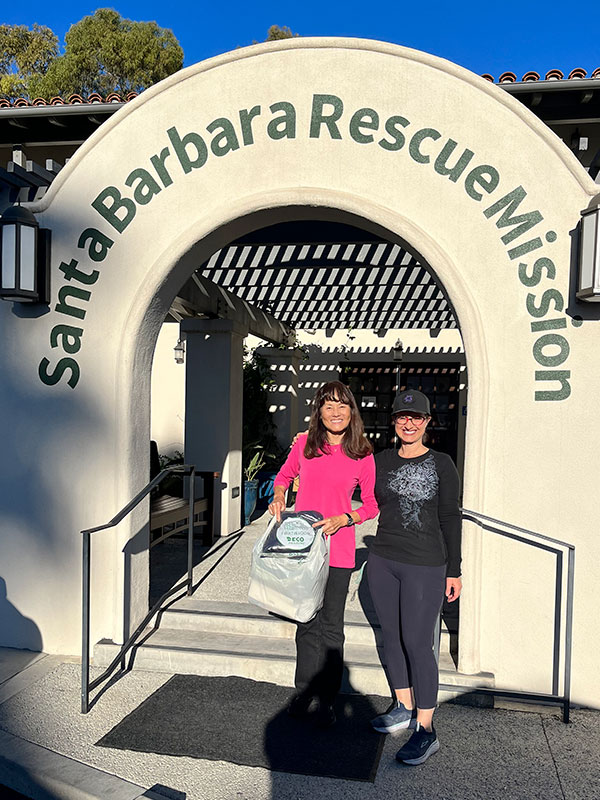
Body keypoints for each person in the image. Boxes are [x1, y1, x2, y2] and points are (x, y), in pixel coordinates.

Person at [268, 380, 378, 728]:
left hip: (340, 551)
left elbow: (372, 505)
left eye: (342, 406)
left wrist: (346, 517)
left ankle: (328, 700)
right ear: (319, 410)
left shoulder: (362, 452)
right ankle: (303, 692)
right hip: (303, 549)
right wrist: (279, 495)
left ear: (351, 412)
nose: (335, 412)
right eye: (328, 405)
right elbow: (283, 476)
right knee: (306, 622)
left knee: (331, 628)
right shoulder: (304, 444)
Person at [367, 389, 461, 765]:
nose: (409, 422)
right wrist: (309, 446)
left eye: (416, 417)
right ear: (394, 421)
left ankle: (426, 729)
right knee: (391, 637)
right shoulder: (379, 461)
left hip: (426, 563)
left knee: (418, 643)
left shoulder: (442, 463)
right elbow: (344, 475)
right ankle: (402, 706)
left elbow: (450, 517)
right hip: (383, 561)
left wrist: (454, 570)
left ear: (426, 423)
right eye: (402, 417)